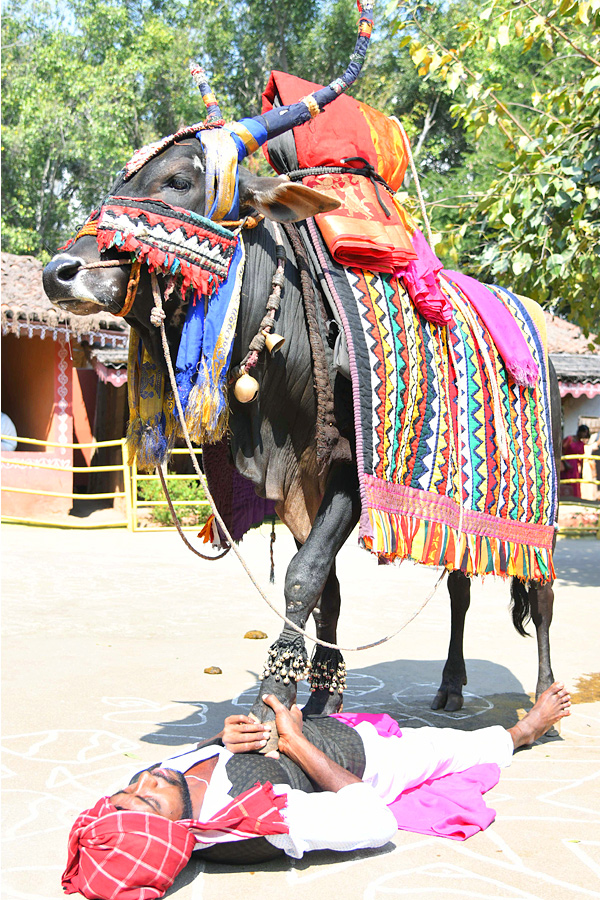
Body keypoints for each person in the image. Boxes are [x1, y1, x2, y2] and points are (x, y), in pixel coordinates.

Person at [62, 683, 571, 900]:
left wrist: (221, 739)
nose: (148, 779)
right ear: (177, 832)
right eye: (150, 797)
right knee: (448, 749)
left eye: (135, 785)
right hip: (368, 759)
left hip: (327, 729)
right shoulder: (258, 820)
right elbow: (375, 822)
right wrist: (298, 744)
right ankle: (522, 733)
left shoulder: (135, 799)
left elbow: (162, 779)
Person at [560, 424, 590, 498]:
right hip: (566, 465)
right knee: (565, 482)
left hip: (574, 467)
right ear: (580, 431)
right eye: (584, 432)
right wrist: (565, 462)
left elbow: (581, 458)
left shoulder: (581, 444)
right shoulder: (569, 439)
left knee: (574, 484)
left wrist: (581, 472)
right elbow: (561, 451)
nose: (584, 434)